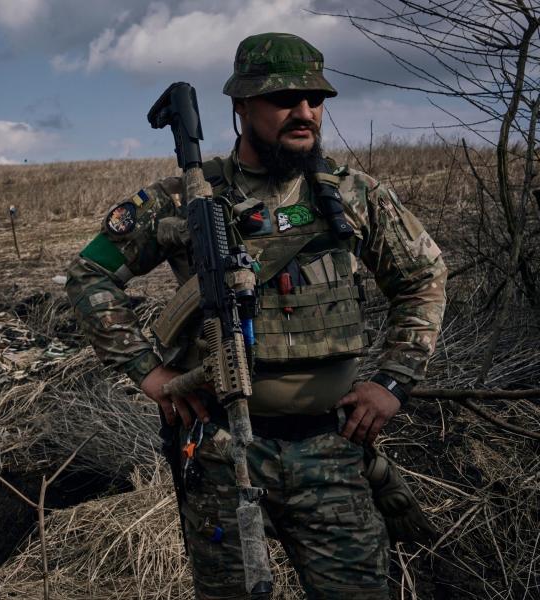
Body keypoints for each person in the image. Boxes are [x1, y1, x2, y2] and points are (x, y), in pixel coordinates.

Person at [65, 32, 447, 599]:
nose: (304, 112)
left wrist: (392, 381)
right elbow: (89, 275)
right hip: (222, 452)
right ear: (240, 106)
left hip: (331, 449)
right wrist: (149, 372)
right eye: (283, 99)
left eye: (315, 99)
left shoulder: (352, 196)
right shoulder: (182, 200)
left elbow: (424, 276)